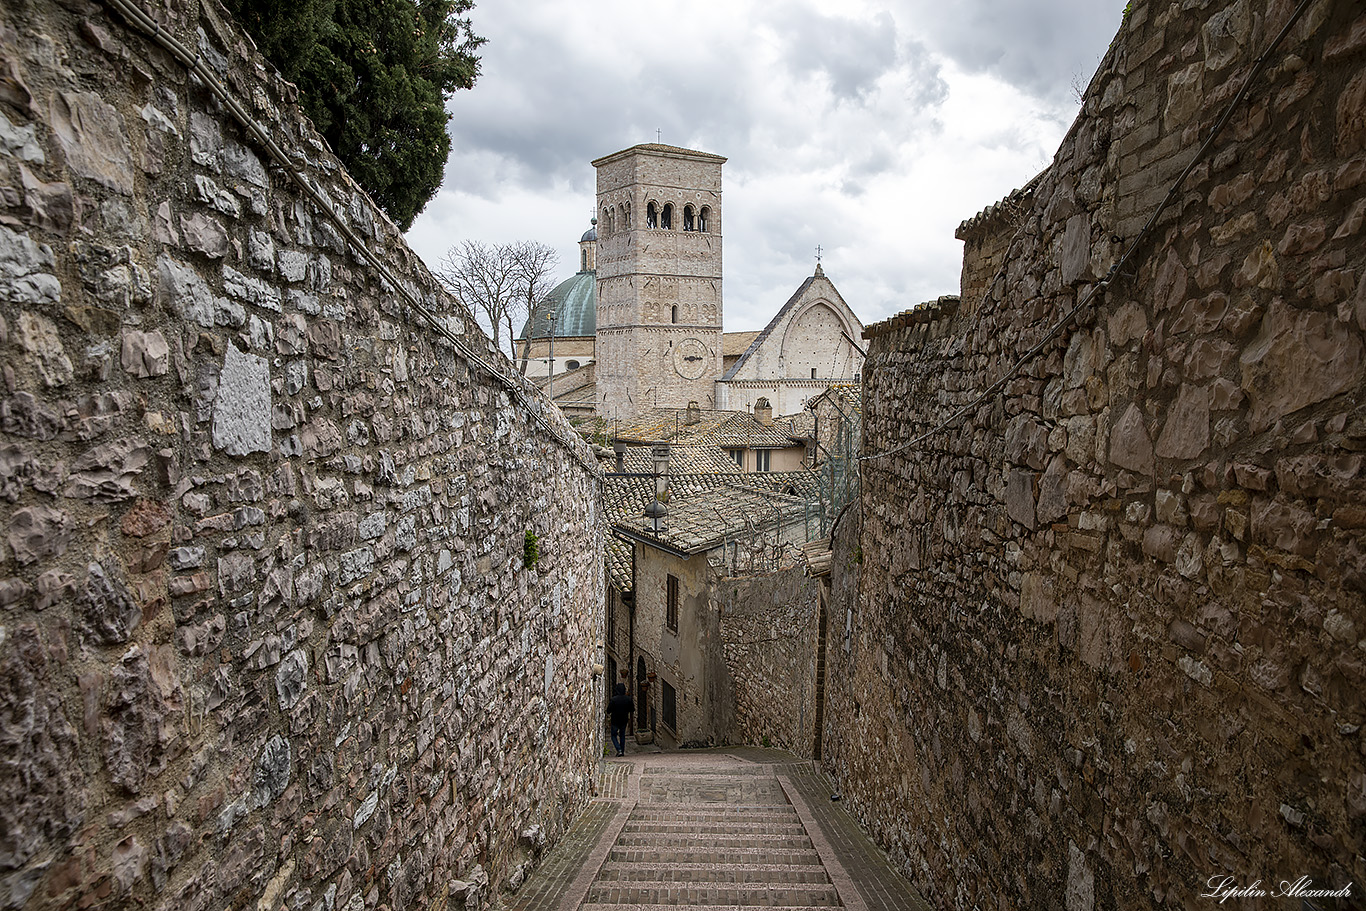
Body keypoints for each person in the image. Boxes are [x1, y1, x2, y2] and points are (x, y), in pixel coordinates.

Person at [606, 682, 634, 757]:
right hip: (624, 720)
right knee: (622, 735)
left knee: (613, 735)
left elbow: (608, 710)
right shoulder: (628, 699)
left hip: (615, 720)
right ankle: (622, 750)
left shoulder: (613, 700)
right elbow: (632, 709)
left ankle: (619, 749)